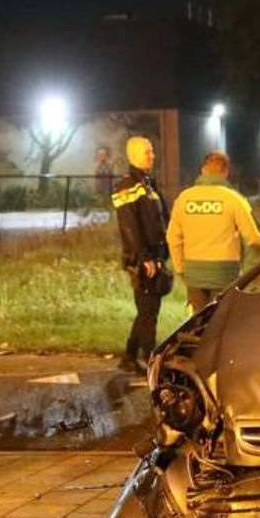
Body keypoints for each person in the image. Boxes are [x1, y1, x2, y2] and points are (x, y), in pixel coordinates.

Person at [167, 151, 260, 314]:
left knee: (197, 323)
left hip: (194, 274)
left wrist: (181, 269)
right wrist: (251, 265)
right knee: (221, 322)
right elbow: (254, 239)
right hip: (225, 274)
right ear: (225, 172)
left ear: (203, 170)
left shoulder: (183, 198)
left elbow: (172, 238)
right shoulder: (234, 199)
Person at [112, 136, 170, 374]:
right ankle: (151, 361)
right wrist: (143, 257)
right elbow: (130, 227)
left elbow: (161, 220)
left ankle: (129, 355)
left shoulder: (148, 184)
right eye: (148, 152)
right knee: (148, 313)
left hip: (155, 257)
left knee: (148, 310)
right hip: (143, 259)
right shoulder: (126, 187)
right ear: (134, 155)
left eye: (152, 151)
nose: (152, 155)